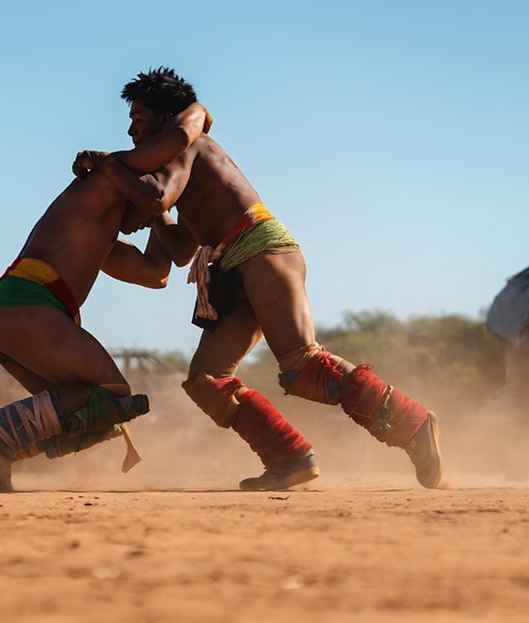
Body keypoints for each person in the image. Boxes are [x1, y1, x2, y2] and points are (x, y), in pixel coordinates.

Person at [73, 67, 444, 490]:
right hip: (233, 265)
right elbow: (176, 251)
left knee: (303, 365)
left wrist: (109, 165)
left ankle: (413, 425)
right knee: (208, 381)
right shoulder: (176, 164)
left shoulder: (188, 145)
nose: (130, 128)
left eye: (138, 118)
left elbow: (157, 195)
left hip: (262, 249)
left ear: (164, 118)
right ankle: (290, 459)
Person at [0, 99, 212, 492]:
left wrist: (174, 206)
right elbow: (182, 133)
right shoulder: (104, 179)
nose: (129, 131)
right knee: (114, 393)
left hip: (14, 313)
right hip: (27, 308)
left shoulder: (99, 236)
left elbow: (160, 270)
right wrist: (197, 110)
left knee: (93, 409)